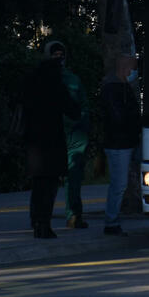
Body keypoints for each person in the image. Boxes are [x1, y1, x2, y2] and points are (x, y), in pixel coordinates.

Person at [24, 44, 80, 239]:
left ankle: (36, 220)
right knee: (50, 185)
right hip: (52, 140)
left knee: (38, 185)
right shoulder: (56, 83)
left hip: (33, 141)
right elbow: (72, 110)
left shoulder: (32, 81)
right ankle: (44, 223)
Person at [44, 41, 90, 230]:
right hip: (65, 134)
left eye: (60, 54)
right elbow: (83, 108)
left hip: (65, 135)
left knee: (57, 178)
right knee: (66, 178)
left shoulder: (51, 79)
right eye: (56, 54)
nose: (59, 58)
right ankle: (71, 216)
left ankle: (45, 218)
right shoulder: (69, 79)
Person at [99, 53, 141, 236]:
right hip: (119, 142)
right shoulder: (114, 88)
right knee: (119, 183)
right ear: (124, 69)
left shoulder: (120, 86)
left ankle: (112, 219)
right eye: (132, 68)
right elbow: (119, 117)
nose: (134, 72)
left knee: (120, 183)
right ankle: (111, 221)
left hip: (123, 140)